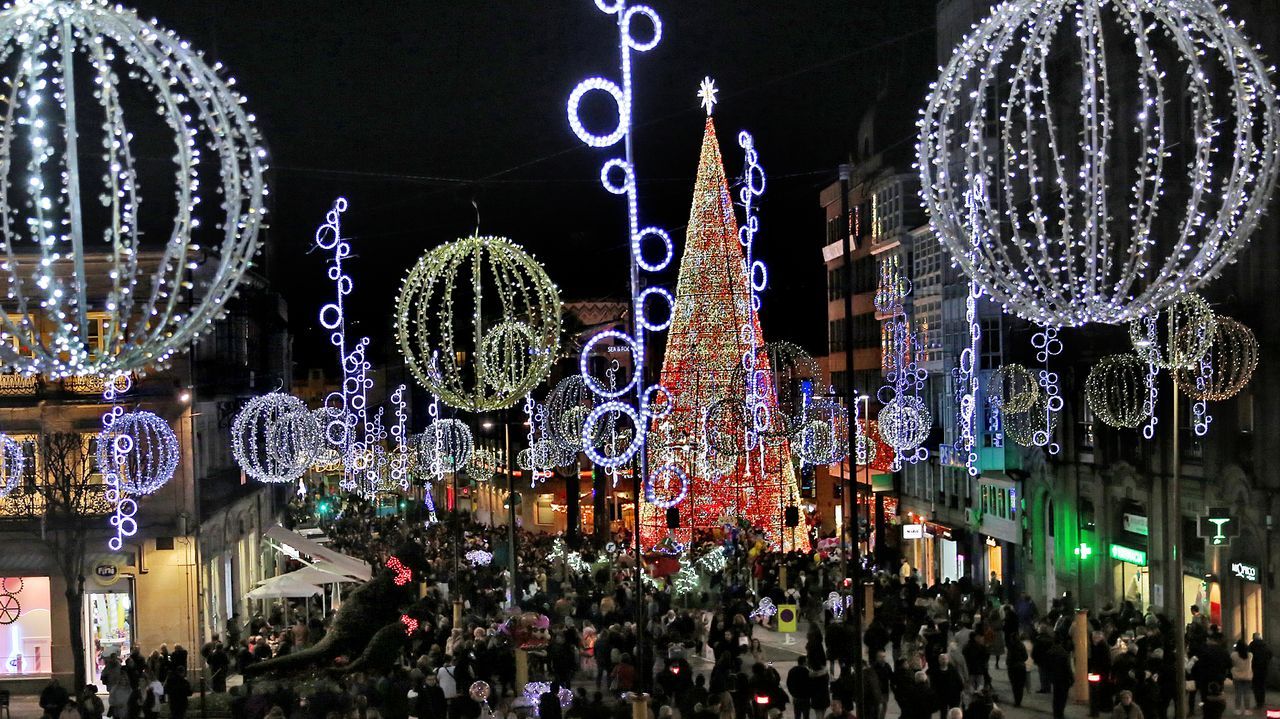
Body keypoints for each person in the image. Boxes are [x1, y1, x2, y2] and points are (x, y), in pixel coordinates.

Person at [1249, 633, 1272, 710]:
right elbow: (1270, 654)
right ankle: (1262, 701)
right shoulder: (1265, 645)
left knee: (1256, 686)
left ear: (1253, 638)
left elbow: (1248, 655)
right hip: (1264, 668)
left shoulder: (1251, 645)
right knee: (1262, 685)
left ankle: (1258, 702)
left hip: (1255, 668)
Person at [1007, 632, 1030, 707]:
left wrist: (1009, 664)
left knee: (1015, 685)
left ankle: (1016, 701)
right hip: (1021, 667)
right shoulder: (1021, 645)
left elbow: (1009, 659)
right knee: (1020, 686)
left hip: (1013, 668)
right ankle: (1019, 701)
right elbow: (1026, 657)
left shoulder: (1011, 646)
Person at [1230, 641, 1252, 714]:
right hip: (1247, 676)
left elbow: (1232, 664)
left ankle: (1237, 709)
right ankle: (1247, 710)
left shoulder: (1233, 655)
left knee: (1238, 693)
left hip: (1237, 676)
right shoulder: (1250, 655)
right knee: (1247, 693)